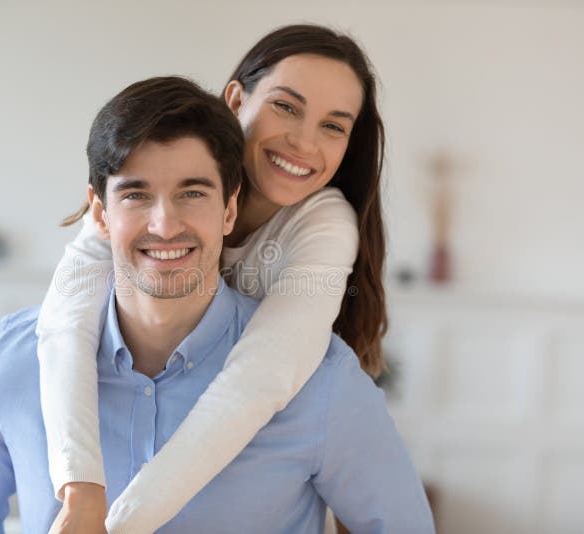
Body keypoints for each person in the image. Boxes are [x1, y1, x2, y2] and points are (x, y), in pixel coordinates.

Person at [0, 76, 434, 534]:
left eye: (192, 193)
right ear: (100, 214)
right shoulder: (6, 367)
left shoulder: (324, 385)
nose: (165, 224)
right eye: (136, 195)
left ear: (230, 208)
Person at [39, 25, 393, 533]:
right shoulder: (158, 179)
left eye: (333, 127)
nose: (303, 141)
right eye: (286, 107)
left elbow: (262, 376)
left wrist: (123, 523)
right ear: (235, 99)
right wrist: (81, 491)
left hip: (260, 458)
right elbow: (64, 322)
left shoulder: (324, 225)